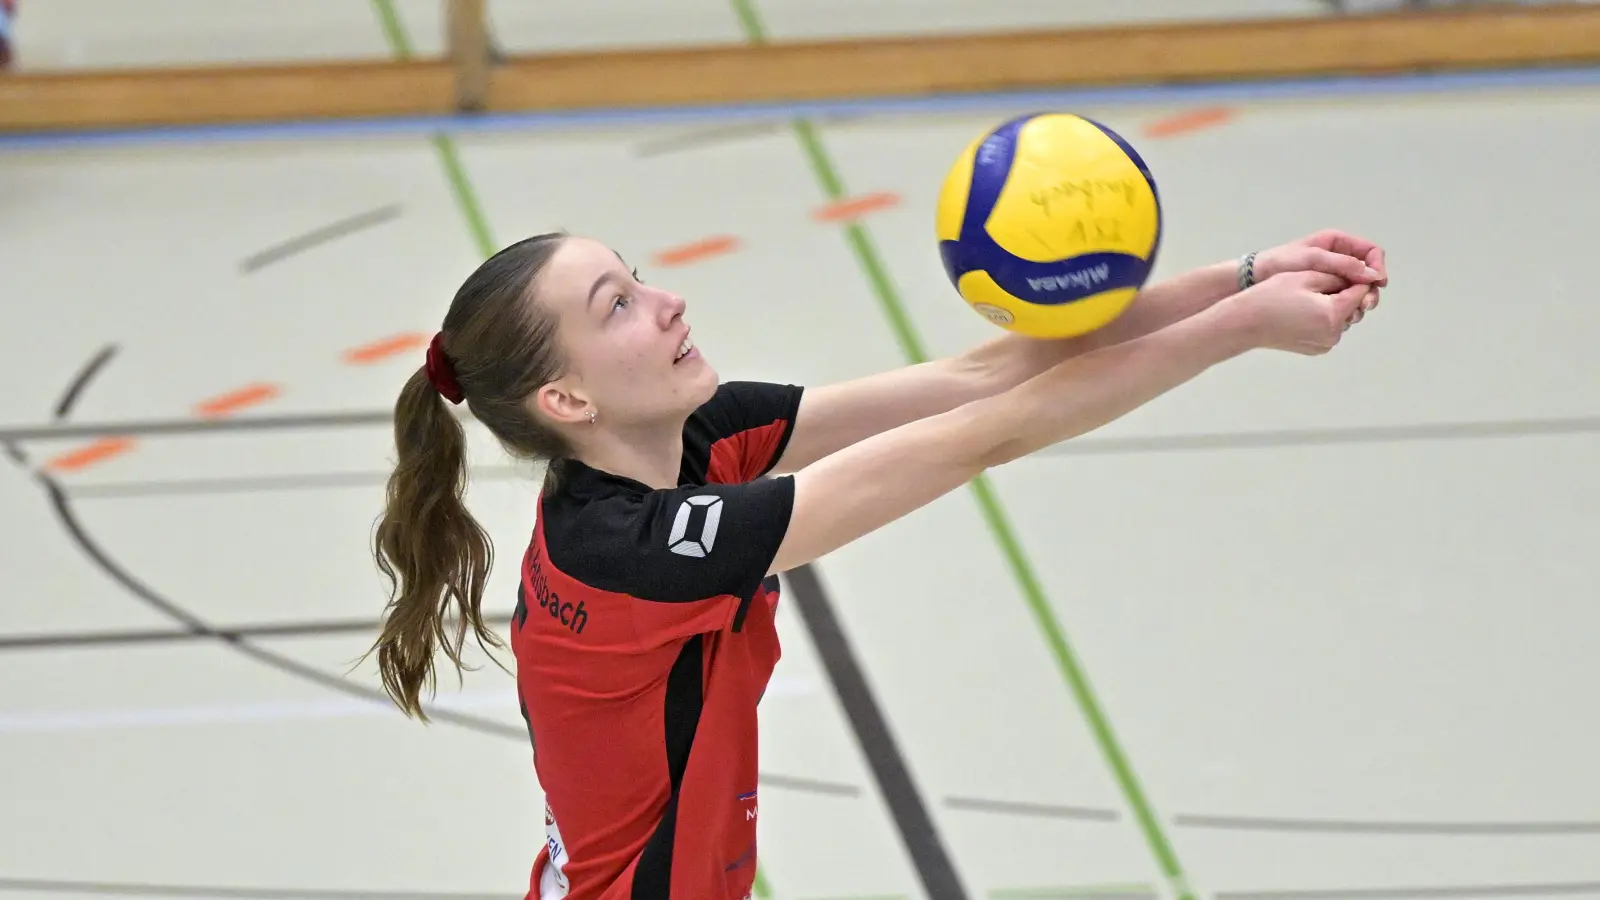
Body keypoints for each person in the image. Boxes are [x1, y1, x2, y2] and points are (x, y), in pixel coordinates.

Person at [365, 228, 1386, 900]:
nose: (667, 301)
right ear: (567, 404)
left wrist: (1238, 280)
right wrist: (1241, 332)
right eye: (617, 307)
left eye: (637, 276)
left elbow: (978, 374)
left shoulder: (693, 438)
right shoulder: (628, 555)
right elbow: (986, 431)